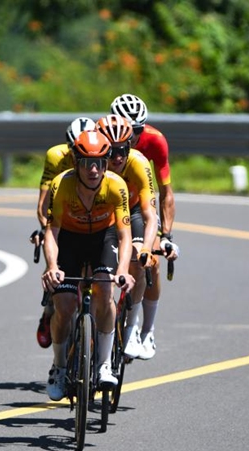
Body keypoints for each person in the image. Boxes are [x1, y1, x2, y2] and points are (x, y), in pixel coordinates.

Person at [41, 129, 135, 401]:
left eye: (99, 163)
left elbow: (123, 235)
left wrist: (122, 271)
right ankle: (59, 367)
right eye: (85, 163)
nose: (93, 169)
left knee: (105, 293)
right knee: (65, 304)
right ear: (76, 163)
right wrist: (51, 266)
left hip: (102, 239)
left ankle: (104, 363)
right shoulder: (62, 184)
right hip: (70, 239)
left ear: (106, 163)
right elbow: (52, 232)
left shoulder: (116, 186)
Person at [110, 93, 181, 360]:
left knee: (149, 260)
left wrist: (166, 236)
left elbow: (166, 194)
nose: (132, 138)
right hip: (108, 204)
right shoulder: (103, 135)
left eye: (137, 131)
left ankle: (145, 330)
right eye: (129, 131)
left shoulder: (154, 141)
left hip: (139, 204)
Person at [95, 114, 159, 359]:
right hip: (101, 214)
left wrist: (146, 249)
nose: (118, 157)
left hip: (131, 211)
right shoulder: (90, 165)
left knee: (139, 262)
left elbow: (150, 215)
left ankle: (132, 326)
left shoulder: (139, 163)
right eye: (111, 151)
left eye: (124, 149)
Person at [31, 116, 96, 349]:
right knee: (55, 259)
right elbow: (43, 203)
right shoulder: (56, 157)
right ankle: (49, 311)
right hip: (61, 215)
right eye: (73, 150)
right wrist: (46, 227)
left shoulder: (98, 162)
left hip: (90, 222)